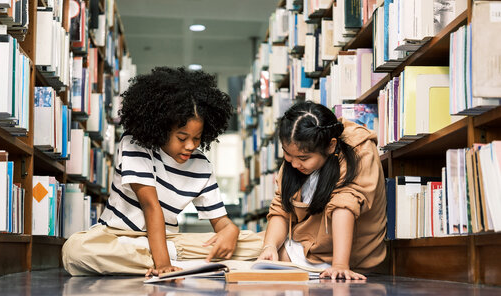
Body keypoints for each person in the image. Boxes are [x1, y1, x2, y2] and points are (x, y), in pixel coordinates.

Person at [62, 67, 262, 276]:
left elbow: (220, 221)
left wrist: (230, 230)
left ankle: (161, 258)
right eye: (182, 138)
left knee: (257, 243)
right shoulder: (136, 144)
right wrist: (163, 264)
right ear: (162, 128)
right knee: (75, 250)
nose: (191, 146)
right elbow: (151, 206)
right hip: (116, 237)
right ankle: (178, 261)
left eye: (197, 138)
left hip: (168, 240)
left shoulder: (201, 166)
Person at [258, 101, 386, 280]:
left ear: (331, 146)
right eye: (287, 154)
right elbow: (281, 208)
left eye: (303, 157)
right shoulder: (295, 161)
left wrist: (340, 265)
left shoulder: (359, 150)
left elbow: (344, 206)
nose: (294, 164)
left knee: (238, 255)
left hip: (344, 257)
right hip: (302, 245)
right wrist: (270, 246)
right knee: (233, 251)